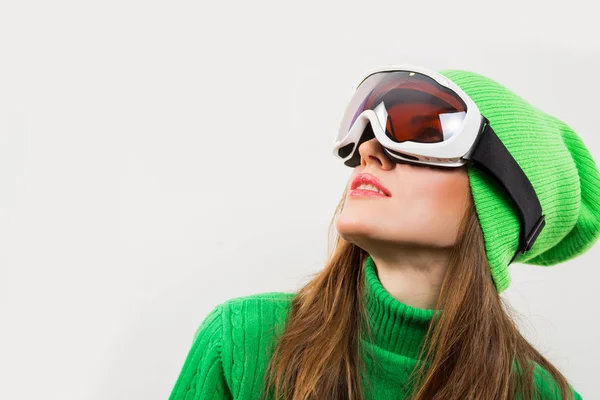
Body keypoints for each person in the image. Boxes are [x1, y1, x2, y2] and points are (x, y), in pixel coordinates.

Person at [168, 66, 600, 400]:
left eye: (423, 130)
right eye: (365, 129)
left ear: (506, 195)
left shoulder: (539, 393)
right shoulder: (244, 342)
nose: (369, 150)